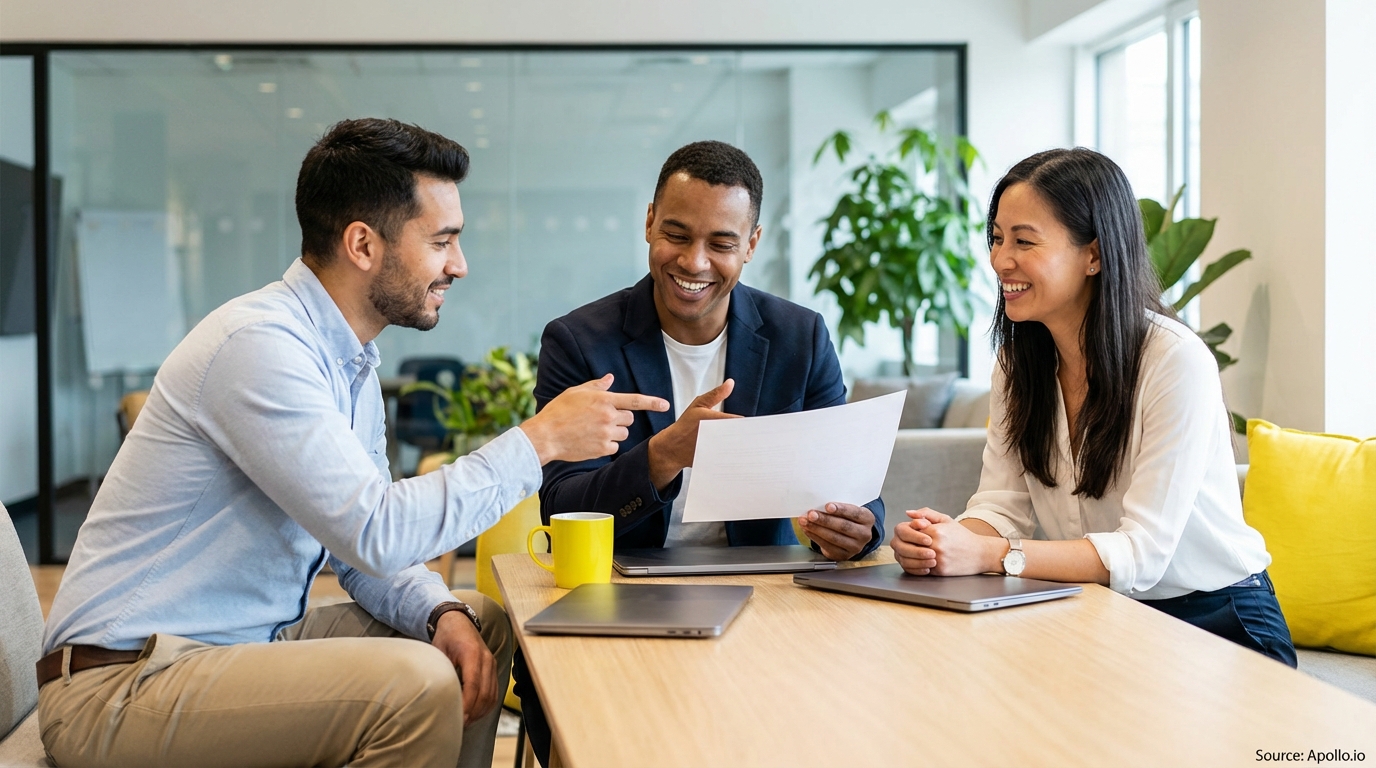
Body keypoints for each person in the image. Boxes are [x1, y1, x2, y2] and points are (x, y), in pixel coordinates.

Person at [37, 118, 669, 768]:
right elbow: (376, 531)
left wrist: (437, 613)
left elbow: (361, 552)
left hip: (239, 647)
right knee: (414, 686)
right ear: (363, 244)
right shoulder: (259, 347)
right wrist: (538, 441)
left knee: (473, 621)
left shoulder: (351, 364)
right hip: (117, 685)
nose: (460, 264)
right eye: (442, 241)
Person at [513, 140, 886, 765]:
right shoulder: (580, 342)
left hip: (768, 593)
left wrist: (858, 526)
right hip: (621, 595)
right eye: (676, 235)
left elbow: (854, 481)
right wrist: (663, 455)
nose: (694, 261)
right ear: (650, 221)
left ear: (753, 243)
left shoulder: (800, 336)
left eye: (721, 242)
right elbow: (562, 505)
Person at [891, 147, 1295, 666]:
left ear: (1095, 255)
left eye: (1024, 241)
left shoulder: (1175, 362)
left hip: (1220, 619)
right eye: (996, 238)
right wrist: (944, 543)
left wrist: (990, 555)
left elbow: (1142, 554)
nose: (999, 260)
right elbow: (1000, 508)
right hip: (1104, 611)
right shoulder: (1019, 365)